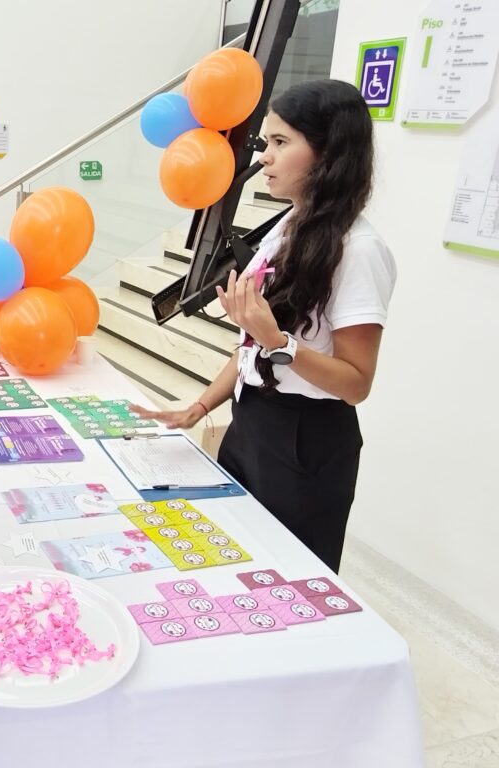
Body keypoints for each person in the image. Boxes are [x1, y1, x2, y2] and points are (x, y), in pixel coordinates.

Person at [131, 79, 397, 573]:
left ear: (327, 152)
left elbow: (356, 383)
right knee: (234, 556)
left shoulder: (360, 250)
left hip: (306, 439)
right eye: (266, 142)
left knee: (290, 577)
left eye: (280, 143)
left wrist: (281, 342)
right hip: (253, 421)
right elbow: (251, 343)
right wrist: (200, 406)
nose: (265, 158)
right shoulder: (288, 225)